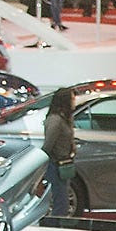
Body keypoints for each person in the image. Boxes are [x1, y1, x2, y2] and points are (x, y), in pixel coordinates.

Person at [41, 88, 76, 217]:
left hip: (64, 165)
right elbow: (49, 145)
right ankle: (56, 226)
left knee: (62, 199)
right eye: (72, 99)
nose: (74, 102)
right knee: (60, 201)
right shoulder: (56, 120)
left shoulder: (65, 118)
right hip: (56, 164)